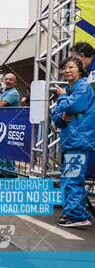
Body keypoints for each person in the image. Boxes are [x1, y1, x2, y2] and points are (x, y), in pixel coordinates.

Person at [52, 56, 95, 227]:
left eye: (71, 67)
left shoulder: (82, 87)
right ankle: (76, 212)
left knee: (72, 179)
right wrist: (62, 116)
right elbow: (56, 119)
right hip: (72, 142)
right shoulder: (70, 90)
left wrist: (62, 98)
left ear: (80, 69)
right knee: (70, 178)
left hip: (79, 141)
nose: (67, 70)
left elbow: (73, 106)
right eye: (64, 68)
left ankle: (77, 216)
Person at [0, 73, 20, 177]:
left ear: (15, 82)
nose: (8, 81)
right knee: (1, 148)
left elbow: (0, 105)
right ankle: (3, 171)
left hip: (9, 124)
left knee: (7, 149)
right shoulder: (3, 92)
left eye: (11, 80)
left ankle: (11, 172)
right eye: (6, 79)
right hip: (2, 123)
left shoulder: (13, 93)